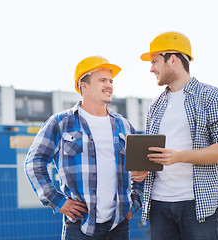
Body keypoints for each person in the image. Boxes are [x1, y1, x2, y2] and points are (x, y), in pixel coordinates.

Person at [131, 32, 218, 240]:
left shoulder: (212, 97)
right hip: (159, 205)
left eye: (155, 61)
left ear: (172, 59)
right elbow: (158, 153)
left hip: (197, 205)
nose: (151, 68)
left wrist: (179, 156)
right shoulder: (155, 106)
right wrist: (145, 168)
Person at [25, 56, 143, 240]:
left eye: (111, 81)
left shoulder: (125, 126)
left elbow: (141, 170)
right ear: (84, 85)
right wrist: (58, 201)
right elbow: (34, 163)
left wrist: (134, 204)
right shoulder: (61, 122)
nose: (109, 85)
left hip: (118, 226)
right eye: (102, 80)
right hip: (79, 226)